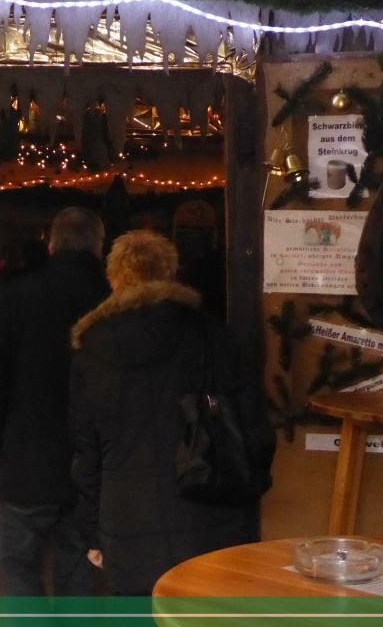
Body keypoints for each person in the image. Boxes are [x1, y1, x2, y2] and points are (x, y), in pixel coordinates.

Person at [69, 230, 275, 595]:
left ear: (114, 278)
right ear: (170, 272)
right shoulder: (212, 334)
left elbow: (86, 452)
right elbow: (254, 426)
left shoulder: (90, 348)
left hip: (125, 514)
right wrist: (249, 491)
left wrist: (91, 530)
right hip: (210, 506)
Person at [0, 207, 109, 596]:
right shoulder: (112, 300)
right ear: (99, 248)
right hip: (93, 462)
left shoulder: (17, 295)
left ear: (51, 245)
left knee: (18, 566)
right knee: (79, 566)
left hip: (25, 457)